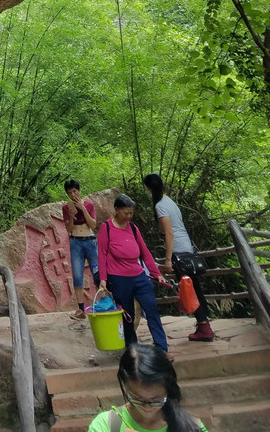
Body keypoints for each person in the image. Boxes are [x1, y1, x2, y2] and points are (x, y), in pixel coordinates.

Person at [142, 173, 213, 342]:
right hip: (187, 248)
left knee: (190, 290)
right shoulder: (169, 201)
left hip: (179, 252)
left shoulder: (160, 205)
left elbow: (169, 232)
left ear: (150, 189)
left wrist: (168, 260)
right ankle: (204, 325)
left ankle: (204, 327)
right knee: (194, 288)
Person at [98, 194, 170, 354]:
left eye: (131, 213)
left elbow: (144, 252)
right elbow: (101, 255)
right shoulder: (107, 228)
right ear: (116, 210)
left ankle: (162, 348)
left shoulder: (133, 228)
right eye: (126, 213)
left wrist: (156, 273)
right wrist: (103, 279)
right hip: (119, 278)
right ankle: (132, 350)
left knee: (152, 310)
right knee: (128, 316)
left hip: (139, 276)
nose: (129, 216)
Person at [87, 343, 207, 431]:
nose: (147, 407)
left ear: (168, 389)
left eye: (156, 399)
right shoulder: (106, 425)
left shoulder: (190, 426)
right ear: (125, 386)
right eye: (137, 398)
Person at [62, 178, 100, 320]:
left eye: (75, 191)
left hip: (90, 241)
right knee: (77, 275)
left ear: (79, 190)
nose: (73, 195)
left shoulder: (89, 205)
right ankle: (80, 309)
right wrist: (71, 216)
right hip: (75, 241)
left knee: (97, 272)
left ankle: (102, 304)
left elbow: (93, 225)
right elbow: (69, 229)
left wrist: (83, 209)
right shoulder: (66, 208)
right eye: (70, 193)